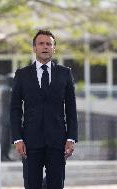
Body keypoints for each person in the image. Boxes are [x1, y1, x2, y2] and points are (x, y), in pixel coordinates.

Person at [10, 30, 78, 189]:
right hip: (30, 142)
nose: (45, 47)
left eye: (49, 44)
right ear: (34, 48)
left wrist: (71, 137)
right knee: (31, 184)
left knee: (56, 185)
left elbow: (71, 108)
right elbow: (15, 109)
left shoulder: (65, 73)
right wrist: (17, 138)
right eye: (41, 43)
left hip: (58, 142)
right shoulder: (22, 74)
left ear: (54, 49)